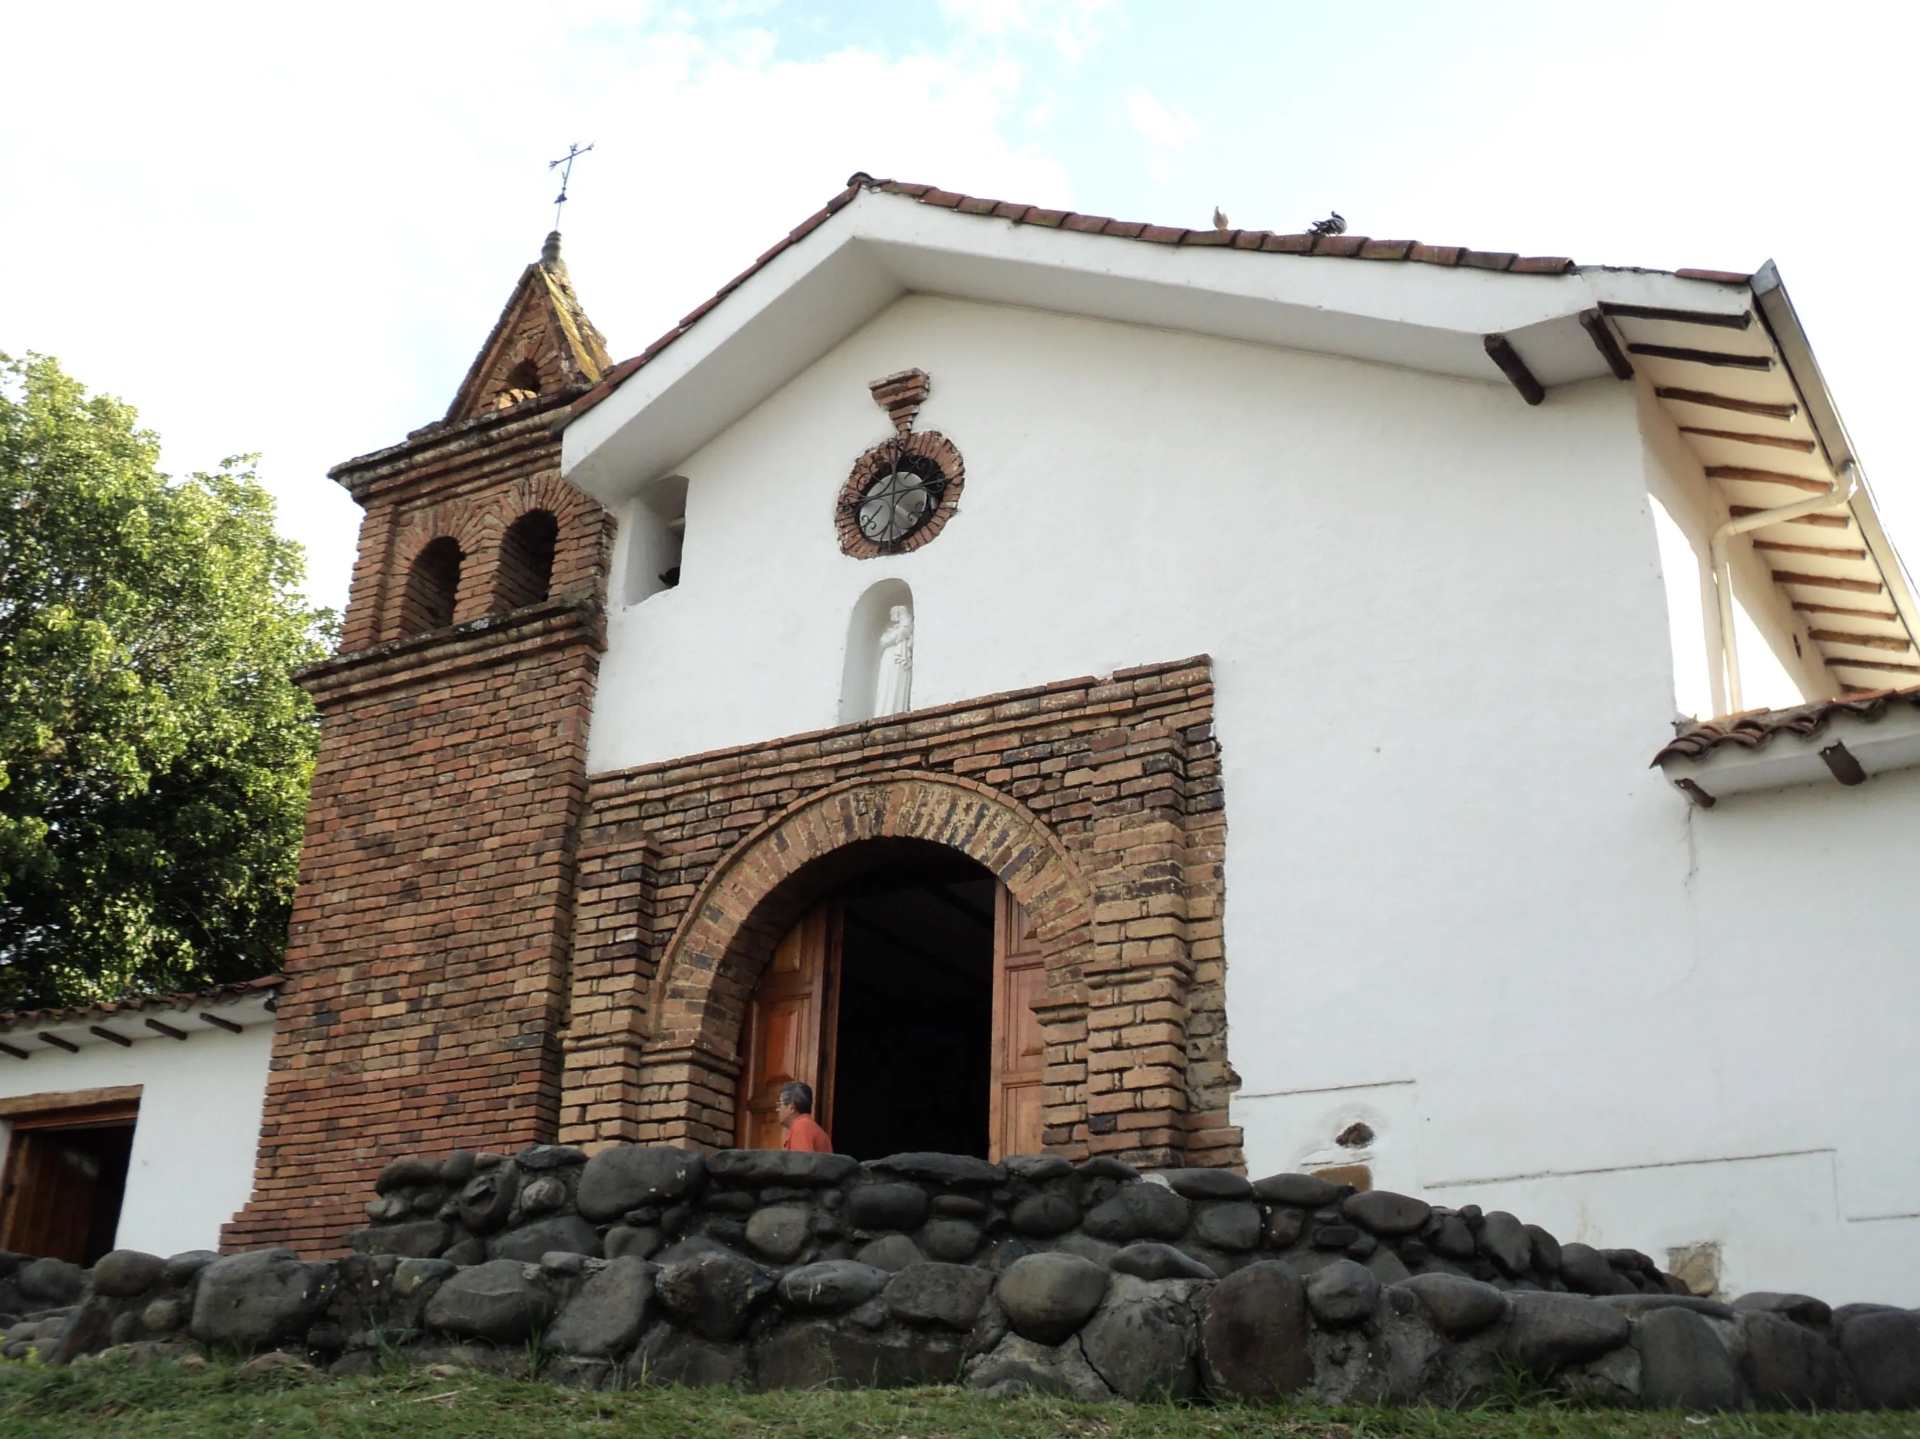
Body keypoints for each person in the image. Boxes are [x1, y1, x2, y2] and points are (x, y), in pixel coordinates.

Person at [777, 1080, 833, 1153]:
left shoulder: (801, 1127)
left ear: (791, 1107)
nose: (777, 1109)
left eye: (780, 1104)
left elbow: (802, 1162)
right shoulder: (809, 1127)